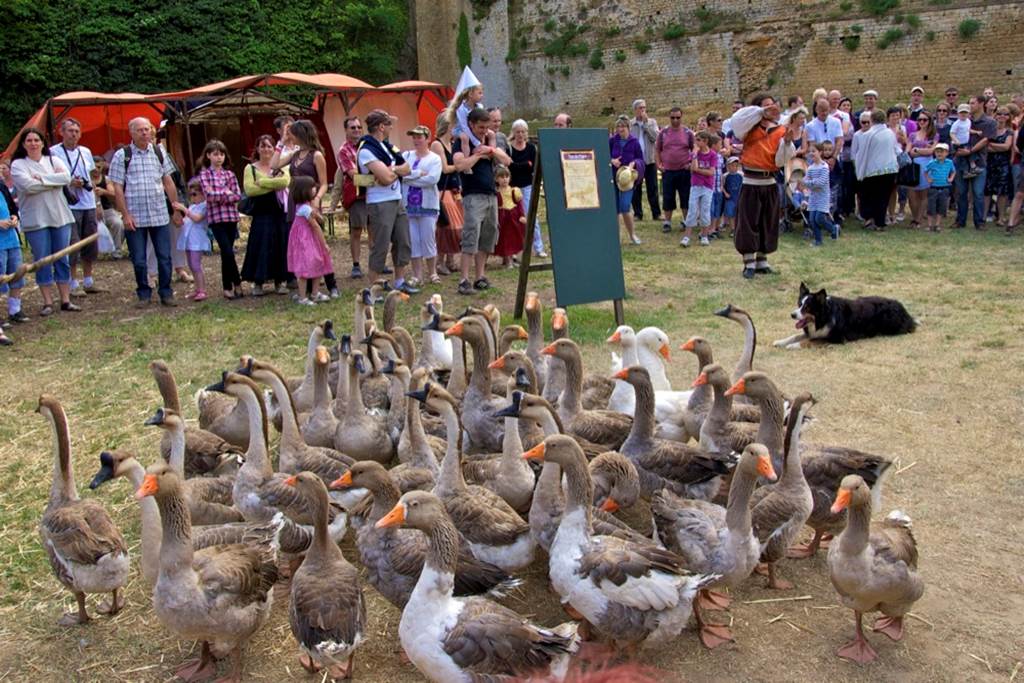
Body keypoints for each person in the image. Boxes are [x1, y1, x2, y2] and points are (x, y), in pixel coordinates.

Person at [108, 117, 179, 306]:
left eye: (147, 129)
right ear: (131, 133)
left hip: (159, 214)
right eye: (139, 130)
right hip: (135, 217)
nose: (144, 133)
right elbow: (117, 187)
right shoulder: (122, 155)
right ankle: (144, 293)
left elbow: (169, 182)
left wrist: (176, 209)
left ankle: (166, 292)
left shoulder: (159, 152)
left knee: (164, 256)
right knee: (139, 259)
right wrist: (125, 214)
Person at [11, 128, 83, 314]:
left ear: (43, 143)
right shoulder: (19, 164)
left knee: (62, 259)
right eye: (29, 140)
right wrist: (53, 181)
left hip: (60, 216)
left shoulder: (53, 159)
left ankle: (65, 300)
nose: (33, 143)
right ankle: (47, 302)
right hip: (36, 219)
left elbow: (66, 178)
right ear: (23, 144)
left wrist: (42, 178)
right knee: (42, 261)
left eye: (37, 140)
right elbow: (27, 186)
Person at [731, 94, 797, 278]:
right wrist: (760, 112)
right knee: (748, 222)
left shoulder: (780, 130)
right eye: (765, 106)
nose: (770, 108)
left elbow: (782, 159)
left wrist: (788, 142)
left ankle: (762, 260)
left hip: (769, 181)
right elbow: (738, 121)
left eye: (772, 105)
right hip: (751, 182)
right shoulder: (748, 127)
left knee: (767, 222)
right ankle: (749, 263)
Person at [274, 119, 339, 297]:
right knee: (304, 246)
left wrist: (317, 199)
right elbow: (274, 165)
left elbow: (324, 183)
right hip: (296, 203)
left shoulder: (316, 155)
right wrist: (281, 141)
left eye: (292, 133)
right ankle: (310, 288)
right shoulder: (295, 155)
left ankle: (331, 283)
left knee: (318, 245)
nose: (290, 136)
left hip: (311, 202)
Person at [358, 110, 418, 294]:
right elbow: (385, 178)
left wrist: (393, 169)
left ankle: (399, 281)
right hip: (379, 202)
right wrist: (392, 172)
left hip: (397, 199)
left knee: (403, 240)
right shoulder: (367, 149)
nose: (392, 127)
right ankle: (374, 286)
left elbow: (407, 168)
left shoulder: (388, 147)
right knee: (381, 244)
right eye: (389, 124)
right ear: (381, 127)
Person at [453, 107, 510, 295]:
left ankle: (480, 277)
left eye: (487, 127)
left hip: (491, 195)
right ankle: (464, 279)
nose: (484, 131)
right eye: (481, 127)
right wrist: (477, 155)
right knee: (471, 235)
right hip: (473, 196)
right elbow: (460, 165)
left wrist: (491, 149)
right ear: (471, 124)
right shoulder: (463, 142)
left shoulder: (488, 141)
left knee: (488, 235)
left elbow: (507, 160)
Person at [50, 119, 101, 297]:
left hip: (87, 202)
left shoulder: (85, 151)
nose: (73, 134)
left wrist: (97, 201)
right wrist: (70, 182)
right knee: (73, 243)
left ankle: (89, 280)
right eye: (70, 130)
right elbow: (52, 177)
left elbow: (93, 176)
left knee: (90, 242)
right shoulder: (53, 153)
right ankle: (73, 282)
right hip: (68, 203)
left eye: (77, 131)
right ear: (61, 132)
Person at [241, 134, 290, 295]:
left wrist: (262, 182)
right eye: (263, 146)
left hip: (279, 213)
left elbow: (284, 182)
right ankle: (258, 282)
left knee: (280, 246)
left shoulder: (281, 165)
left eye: (269, 146)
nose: (266, 149)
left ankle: (280, 281)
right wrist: (273, 184)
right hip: (261, 215)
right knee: (260, 247)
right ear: (257, 148)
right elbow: (250, 190)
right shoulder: (250, 168)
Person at [197, 139, 243, 299]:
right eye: (215, 154)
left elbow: (237, 195)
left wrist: (222, 195)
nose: (219, 158)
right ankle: (237, 281)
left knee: (227, 252)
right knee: (227, 251)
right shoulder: (204, 175)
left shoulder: (230, 174)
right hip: (216, 219)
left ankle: (227, 286)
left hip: (231, 217)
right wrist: (226, 194)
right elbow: (209, 196)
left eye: (222, 154)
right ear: (208, 155)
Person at [401, 125, 443, 285]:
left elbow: (432, 179)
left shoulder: (434, 159)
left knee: (428, 238)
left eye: (420, 137)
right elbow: (400, 174)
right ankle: (417, 274)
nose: (416, 140)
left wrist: (409, 178)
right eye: (414, 137)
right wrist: (416, 174)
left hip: (427, 205)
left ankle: (432, 272)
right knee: (413, 240)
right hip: (408, 206)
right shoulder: (406, 156)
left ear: (427, 139)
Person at [288, 176, 335, 306]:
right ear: (304, 191)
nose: (315, 189)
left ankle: (314, 293)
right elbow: (315, 226)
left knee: (317, 262)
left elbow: (316, 217)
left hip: (307, 240)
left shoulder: (303, 206)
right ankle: (303, 297)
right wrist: (324, 243)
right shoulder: (305, 209)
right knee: (306, 267)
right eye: (312, 187)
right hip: (307, 241)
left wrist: (318, 215)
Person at [954, 95, 997, 230]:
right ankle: (960, 221)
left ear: (981, 104)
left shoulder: (989, 122)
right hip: (961, 160)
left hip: (979, 161)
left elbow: (985, 140)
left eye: (973, 103)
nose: (970, 106)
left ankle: (979, 222)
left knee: (978, 193)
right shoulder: (964, 120)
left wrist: (970, 151)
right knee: (961, 192)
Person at [334, 116, 368, 279]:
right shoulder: (344, 151)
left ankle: (377, 263)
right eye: (352, 127)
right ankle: (356, 265)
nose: (356, 130)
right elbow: (354, 176)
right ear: (346, 130)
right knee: (356, 231)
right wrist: (380, 178)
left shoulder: (367, 145)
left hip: (372, 195)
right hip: (356, 197)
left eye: (358, 127)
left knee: (375, 230)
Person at [854, 110, 899, 231]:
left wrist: (860, 171)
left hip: (873, 171)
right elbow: (897, 149)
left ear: (872, 120)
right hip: (890, 170)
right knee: (883, 197)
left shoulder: (867, 134)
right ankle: (880, 222)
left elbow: (861, 154)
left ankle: (870, 219)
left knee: (869, 196)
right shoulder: (890, 133)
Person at [430, 113, 463, 275]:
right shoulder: (437, 145)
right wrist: (461, 165)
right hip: (443, 190)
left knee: (456, 226)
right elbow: (444, 168)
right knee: (446, 226)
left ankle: (450, 259)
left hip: (454, 189)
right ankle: (439, 262)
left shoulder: (452, 143)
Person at [508, 119, 545, 257]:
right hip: (513, 187)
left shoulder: (530, 148)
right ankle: (515, 250)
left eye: (523, 131)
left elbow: (534, 167)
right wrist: (525, 165)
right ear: (514, 133)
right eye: (518, 132)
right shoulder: (509, 148)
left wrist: (521, 166)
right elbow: (511, 166)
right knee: (514, 217)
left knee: (531, 216)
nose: (520, 134)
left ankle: (539, 247)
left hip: (528, 186)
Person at [655, 107, 695, 233]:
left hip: (684, 170)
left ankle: (686, 221)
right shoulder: (664, 133)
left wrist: (690, 163)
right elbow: (657, 150)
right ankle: (667, 222)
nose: (675, 120)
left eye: (678, 117)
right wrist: (658, 164)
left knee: (685, 197)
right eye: (673, 117)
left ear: (681, 117)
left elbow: (694, 149)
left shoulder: (688, 133)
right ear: (669, 117)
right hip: (668, 171)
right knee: (667, 197)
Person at [170, 180, 210, 301]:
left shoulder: (205, 206)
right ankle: (197, 289)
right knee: (192, 265)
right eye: (191, 195)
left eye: (195, 194)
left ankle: (202, 290)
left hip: (197, 240)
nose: (192, 197)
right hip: (188, 239)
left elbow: (197, 218)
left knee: (196, 265)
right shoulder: (193, 206)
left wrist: (184, 209)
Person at [609, 115, 643, 245]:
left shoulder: (634, 142)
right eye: (618, 126)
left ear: (628, 127)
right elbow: (603, 154)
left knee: (624, 206)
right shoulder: (612, 141)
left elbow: (640, 159)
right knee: (615, 209)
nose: (620, 128)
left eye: (622, 126)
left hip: (627, 179)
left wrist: (633, 163)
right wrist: (612, 161)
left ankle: (632, 234)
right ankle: (614, 237)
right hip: (613, 177)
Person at [680, 131, 719, 247]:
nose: (695, 143)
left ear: (705, 141)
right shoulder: (694, 154)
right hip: (696, 185)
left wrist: (698, 170)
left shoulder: (712, 155)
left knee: (705, 210)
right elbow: (693, 168)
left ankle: (704, 235)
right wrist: (695, 155)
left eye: (698, 140)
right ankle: (687, 237)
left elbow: (711, 172)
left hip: (707, 186)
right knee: (692, 210)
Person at [0, 181, 25, 337]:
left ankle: (15, 309)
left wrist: (14, 217)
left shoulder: (1, 186)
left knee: (16, 274)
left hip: (11, 239)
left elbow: (12, 208)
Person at [629, 99, 661, 221]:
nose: (643, 110)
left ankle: (656, 213)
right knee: (636, 188)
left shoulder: (652, 122)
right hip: (636, 161)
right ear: (635, 110)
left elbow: (656, 138)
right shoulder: (631, 124)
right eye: (640, 108)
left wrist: (646, 125)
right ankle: (638, 213)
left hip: (650, 160)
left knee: (652, 187)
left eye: (644, 107)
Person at [802, 142, 839, 246]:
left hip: (823, 197)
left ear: (820, 152)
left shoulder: (824, 167)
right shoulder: (810, 168)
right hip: (813, 197)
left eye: (814, 151)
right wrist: (807, 183)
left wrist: (809, 183)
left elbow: (821, 183)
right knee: (812, 219)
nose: (811, 153)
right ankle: (818, 241)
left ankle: (833, 229)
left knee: (819, 218)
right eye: (810, 152)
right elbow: (805, 181)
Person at [906, 110, 938, 228]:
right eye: (920, 120)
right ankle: (914, 217)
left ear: (929, 121)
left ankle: (918, 219)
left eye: (925, 120)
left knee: (923, 194)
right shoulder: (913, 135)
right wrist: (922, 150)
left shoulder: (933, 135)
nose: (922, 122)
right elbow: (909, 151)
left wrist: (917, 150)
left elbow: (931, 151)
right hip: (914, 166)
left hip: (927, 166)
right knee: (912, 193)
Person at [985, 106, 1014, 226]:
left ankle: (1001, 218)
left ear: (1009, 117)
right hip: (989, 163)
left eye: (1005, 114)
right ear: (996, 115)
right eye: (1000, 113)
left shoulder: (1009, 132)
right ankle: (983, 216)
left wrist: (992, 145)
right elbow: (985, 147)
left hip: (1003, 165)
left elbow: (1007, 147)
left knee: (1002, 192)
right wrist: (998, 147)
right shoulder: (990, 130)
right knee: (987, 191)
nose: (1002, 116)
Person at [493, 165, 526, 267]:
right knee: (504, 239)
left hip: (513, 217)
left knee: (513, 238)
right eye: (501, 177)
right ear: (496, 179)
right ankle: (507, 260)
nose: (504, 179)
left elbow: (520, 204)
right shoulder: (496, 192)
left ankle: (512, 258)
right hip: (502, 218)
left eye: (506, 177)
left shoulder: (514, 190)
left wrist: (522, 215)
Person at [91, 158, 124, 255]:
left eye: (98, 167)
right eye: (94, 167)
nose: (96, 170)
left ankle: (116, 251)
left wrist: (104, 192)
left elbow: (114, 194)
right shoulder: (86, 179)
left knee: (118, 223)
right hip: (91, 211)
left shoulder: (106, 179)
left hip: (107, 210)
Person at [925, 143, 955, 232]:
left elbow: (953, 171)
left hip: (945, 187)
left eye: (942, 152)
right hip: (933, 187)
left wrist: (951, 179)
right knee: (931, 207)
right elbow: (925, 171)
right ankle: (930, 225)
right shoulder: (932, 162)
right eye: (937, 152)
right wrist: (928, 179)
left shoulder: (949, 162)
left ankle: (937, 225)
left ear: (947, 153)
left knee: (941, 207)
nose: (939, 154)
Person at [950, 104, 977, 176]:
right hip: (958, 144)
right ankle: (965, 172)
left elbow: (968, 130)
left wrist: (976, 132)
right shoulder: (956, 123)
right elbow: (952, 133)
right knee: (962, 158)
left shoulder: (968, 121)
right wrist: (956, 140)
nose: (963, 114)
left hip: (966, 142)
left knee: (971, 152)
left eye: (965, 112)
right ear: (958, 113)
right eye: (961, 112)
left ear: (968, 113)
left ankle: (973, 166)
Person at [721, 156, 742, 235]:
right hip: (730, 198)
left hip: (738, 197)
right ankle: (733, 229)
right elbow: (722, 186)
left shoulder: (741, 175)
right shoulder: (725, 176)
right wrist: (725, 193)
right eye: (732, 165)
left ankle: (738, 228)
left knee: (738, 214)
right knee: (731, 214)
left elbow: (743, 186)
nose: (734, 167)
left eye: (736, 165)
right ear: (728, 167)